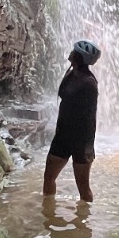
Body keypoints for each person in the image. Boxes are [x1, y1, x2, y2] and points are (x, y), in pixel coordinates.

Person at [43, 39, 100, 202]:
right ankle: (48, 212)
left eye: (73, 51)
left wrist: (87, 145)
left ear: (78, 57)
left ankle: (84, 224)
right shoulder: (73, 74)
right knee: (48, 178)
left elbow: (85, 115)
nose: (70, 53)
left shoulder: (88, 82)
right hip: (63, 136)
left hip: (81, 141)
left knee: (83, 188)